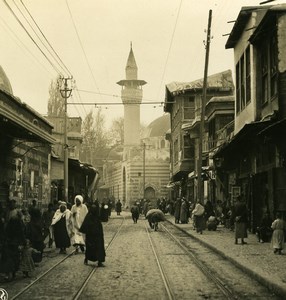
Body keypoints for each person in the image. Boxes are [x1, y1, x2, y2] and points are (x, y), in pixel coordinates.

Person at [0, 200, 25, 281]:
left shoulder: (17, 212)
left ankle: (11, 273)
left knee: (11, 258)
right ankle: (11, 272)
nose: (11, 205)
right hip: (12, 242)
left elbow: (22, 219)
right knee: (12, 258)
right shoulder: (7, 212)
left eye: (12, 204)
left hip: (12, 242)